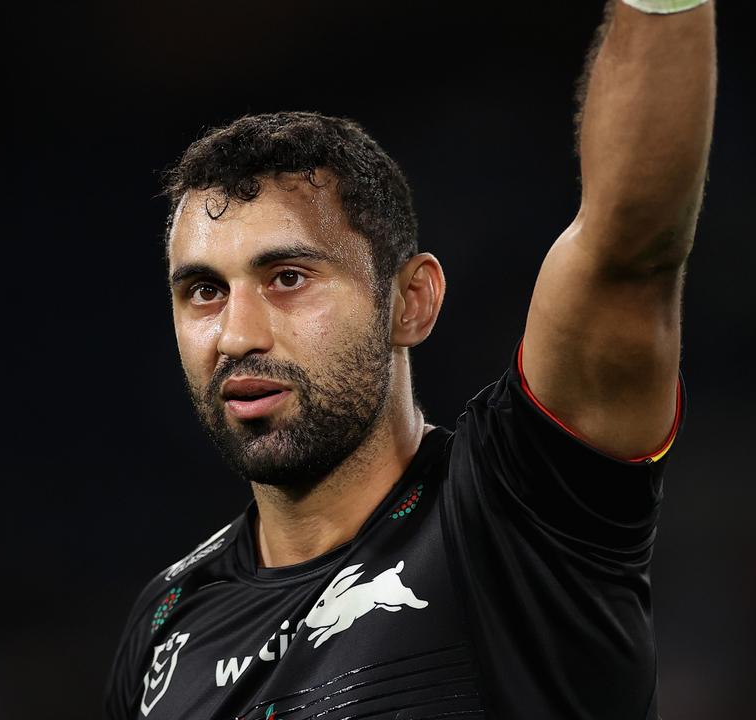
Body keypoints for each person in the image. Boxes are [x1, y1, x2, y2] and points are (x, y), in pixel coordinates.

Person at [103, 1, 715, 717]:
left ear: (412, 301)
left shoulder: (517, 512)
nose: (237, 335)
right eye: (204, 290)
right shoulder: (165, 627)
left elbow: (630, 247)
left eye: (288, 279)